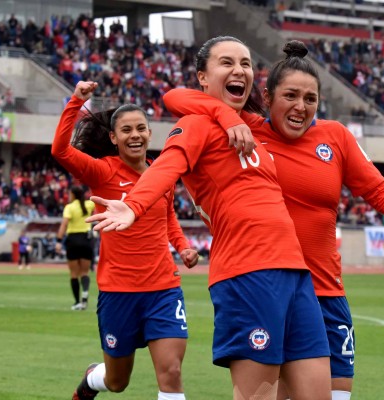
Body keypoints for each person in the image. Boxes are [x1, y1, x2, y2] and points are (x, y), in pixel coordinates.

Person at [160, 40, 384, 400]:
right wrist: (227, 116)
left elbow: (378, 191)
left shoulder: (335, 137)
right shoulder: (247, 129)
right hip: (265, 287)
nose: (300, 107)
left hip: (325, 291)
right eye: (290, 96)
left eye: (310, 99)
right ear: (268, 98)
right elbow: (177, 98)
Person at [84, 36, 332, 400]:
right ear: (202, 77)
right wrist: (134, 205)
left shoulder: (251, 126)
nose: (239, 70)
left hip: (295, 273)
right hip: (249, 273)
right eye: (226, 62)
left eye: (246, 63)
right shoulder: (196, 125)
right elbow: (167, 160)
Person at [52, 81, 200, 400]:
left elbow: (168, 217)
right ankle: (92, 379)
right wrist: (76, 102)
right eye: (127, 130)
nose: (135, 135)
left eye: (141, 129)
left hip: (163, 288)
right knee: (118, 382)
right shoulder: (102, 172)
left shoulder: (161, 173)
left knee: (171, 372)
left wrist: (184, 247)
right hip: (119, 291)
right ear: (113, 138)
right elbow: (60, 151)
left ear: (149, 133)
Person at [56, 185, 95, 311]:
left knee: (74, 273)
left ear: (73, 194)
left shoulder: (69, 207)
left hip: (73, 240)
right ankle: (84, 298)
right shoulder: (89, 205)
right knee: (85, 272)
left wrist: (58, 240)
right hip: (86, 240)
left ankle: (77, 302)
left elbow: (64, 224)